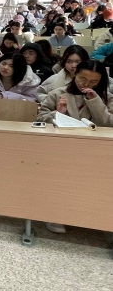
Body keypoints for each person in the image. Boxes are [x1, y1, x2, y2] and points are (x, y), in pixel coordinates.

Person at [37, 60, 113, 235]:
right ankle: (56, 214)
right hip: (62, 148)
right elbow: (40, 118)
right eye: (82, 79)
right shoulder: (58, 93)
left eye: (93, 82)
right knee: (59, 177)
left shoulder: (107, 98)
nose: (86, 84)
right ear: (74, 75)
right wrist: (57, 113)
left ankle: (93, 215)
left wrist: (95, 101)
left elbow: (109, 124)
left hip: (96, 150)